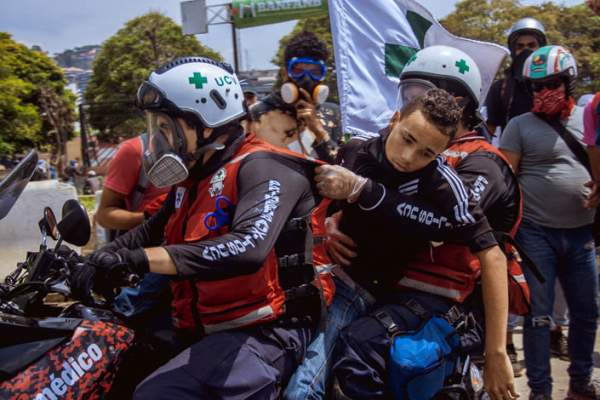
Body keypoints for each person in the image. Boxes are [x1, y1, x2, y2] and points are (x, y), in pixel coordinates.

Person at [71, 56, 336, 399]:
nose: (159, 139)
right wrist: (94, 260)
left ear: (205, 124)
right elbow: (151, 230)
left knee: (157, 394)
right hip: (209, 327)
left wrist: (138, 260)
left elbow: (248, 247)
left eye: (166, 127)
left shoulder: (266, 167)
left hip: (269, 332)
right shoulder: (195, 177)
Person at [499, 45, 599, 400]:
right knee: (538, 315)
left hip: (582, 235)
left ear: (569, 81)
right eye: (536, 87)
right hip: (535, 233)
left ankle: (581, 383)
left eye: (553, 83)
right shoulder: (518, 125)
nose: (544, 92)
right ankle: (540, 391)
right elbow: (505, 179)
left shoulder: (590, 117)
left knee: (587, 313)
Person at [249, 31, 339, 163]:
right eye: (298, 71)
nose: (307, 79)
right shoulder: (255, 115)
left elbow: (344, 168)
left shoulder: (334, 114)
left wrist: (318, 130)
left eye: (315, 72)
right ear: (285, 73)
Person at [485, 17, 547, 134]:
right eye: (520, 46)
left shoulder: (553, 83)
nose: (526, 50)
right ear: (513, 50)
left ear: (541, 48)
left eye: (531, 45)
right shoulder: (499, 88)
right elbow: (490, 129)